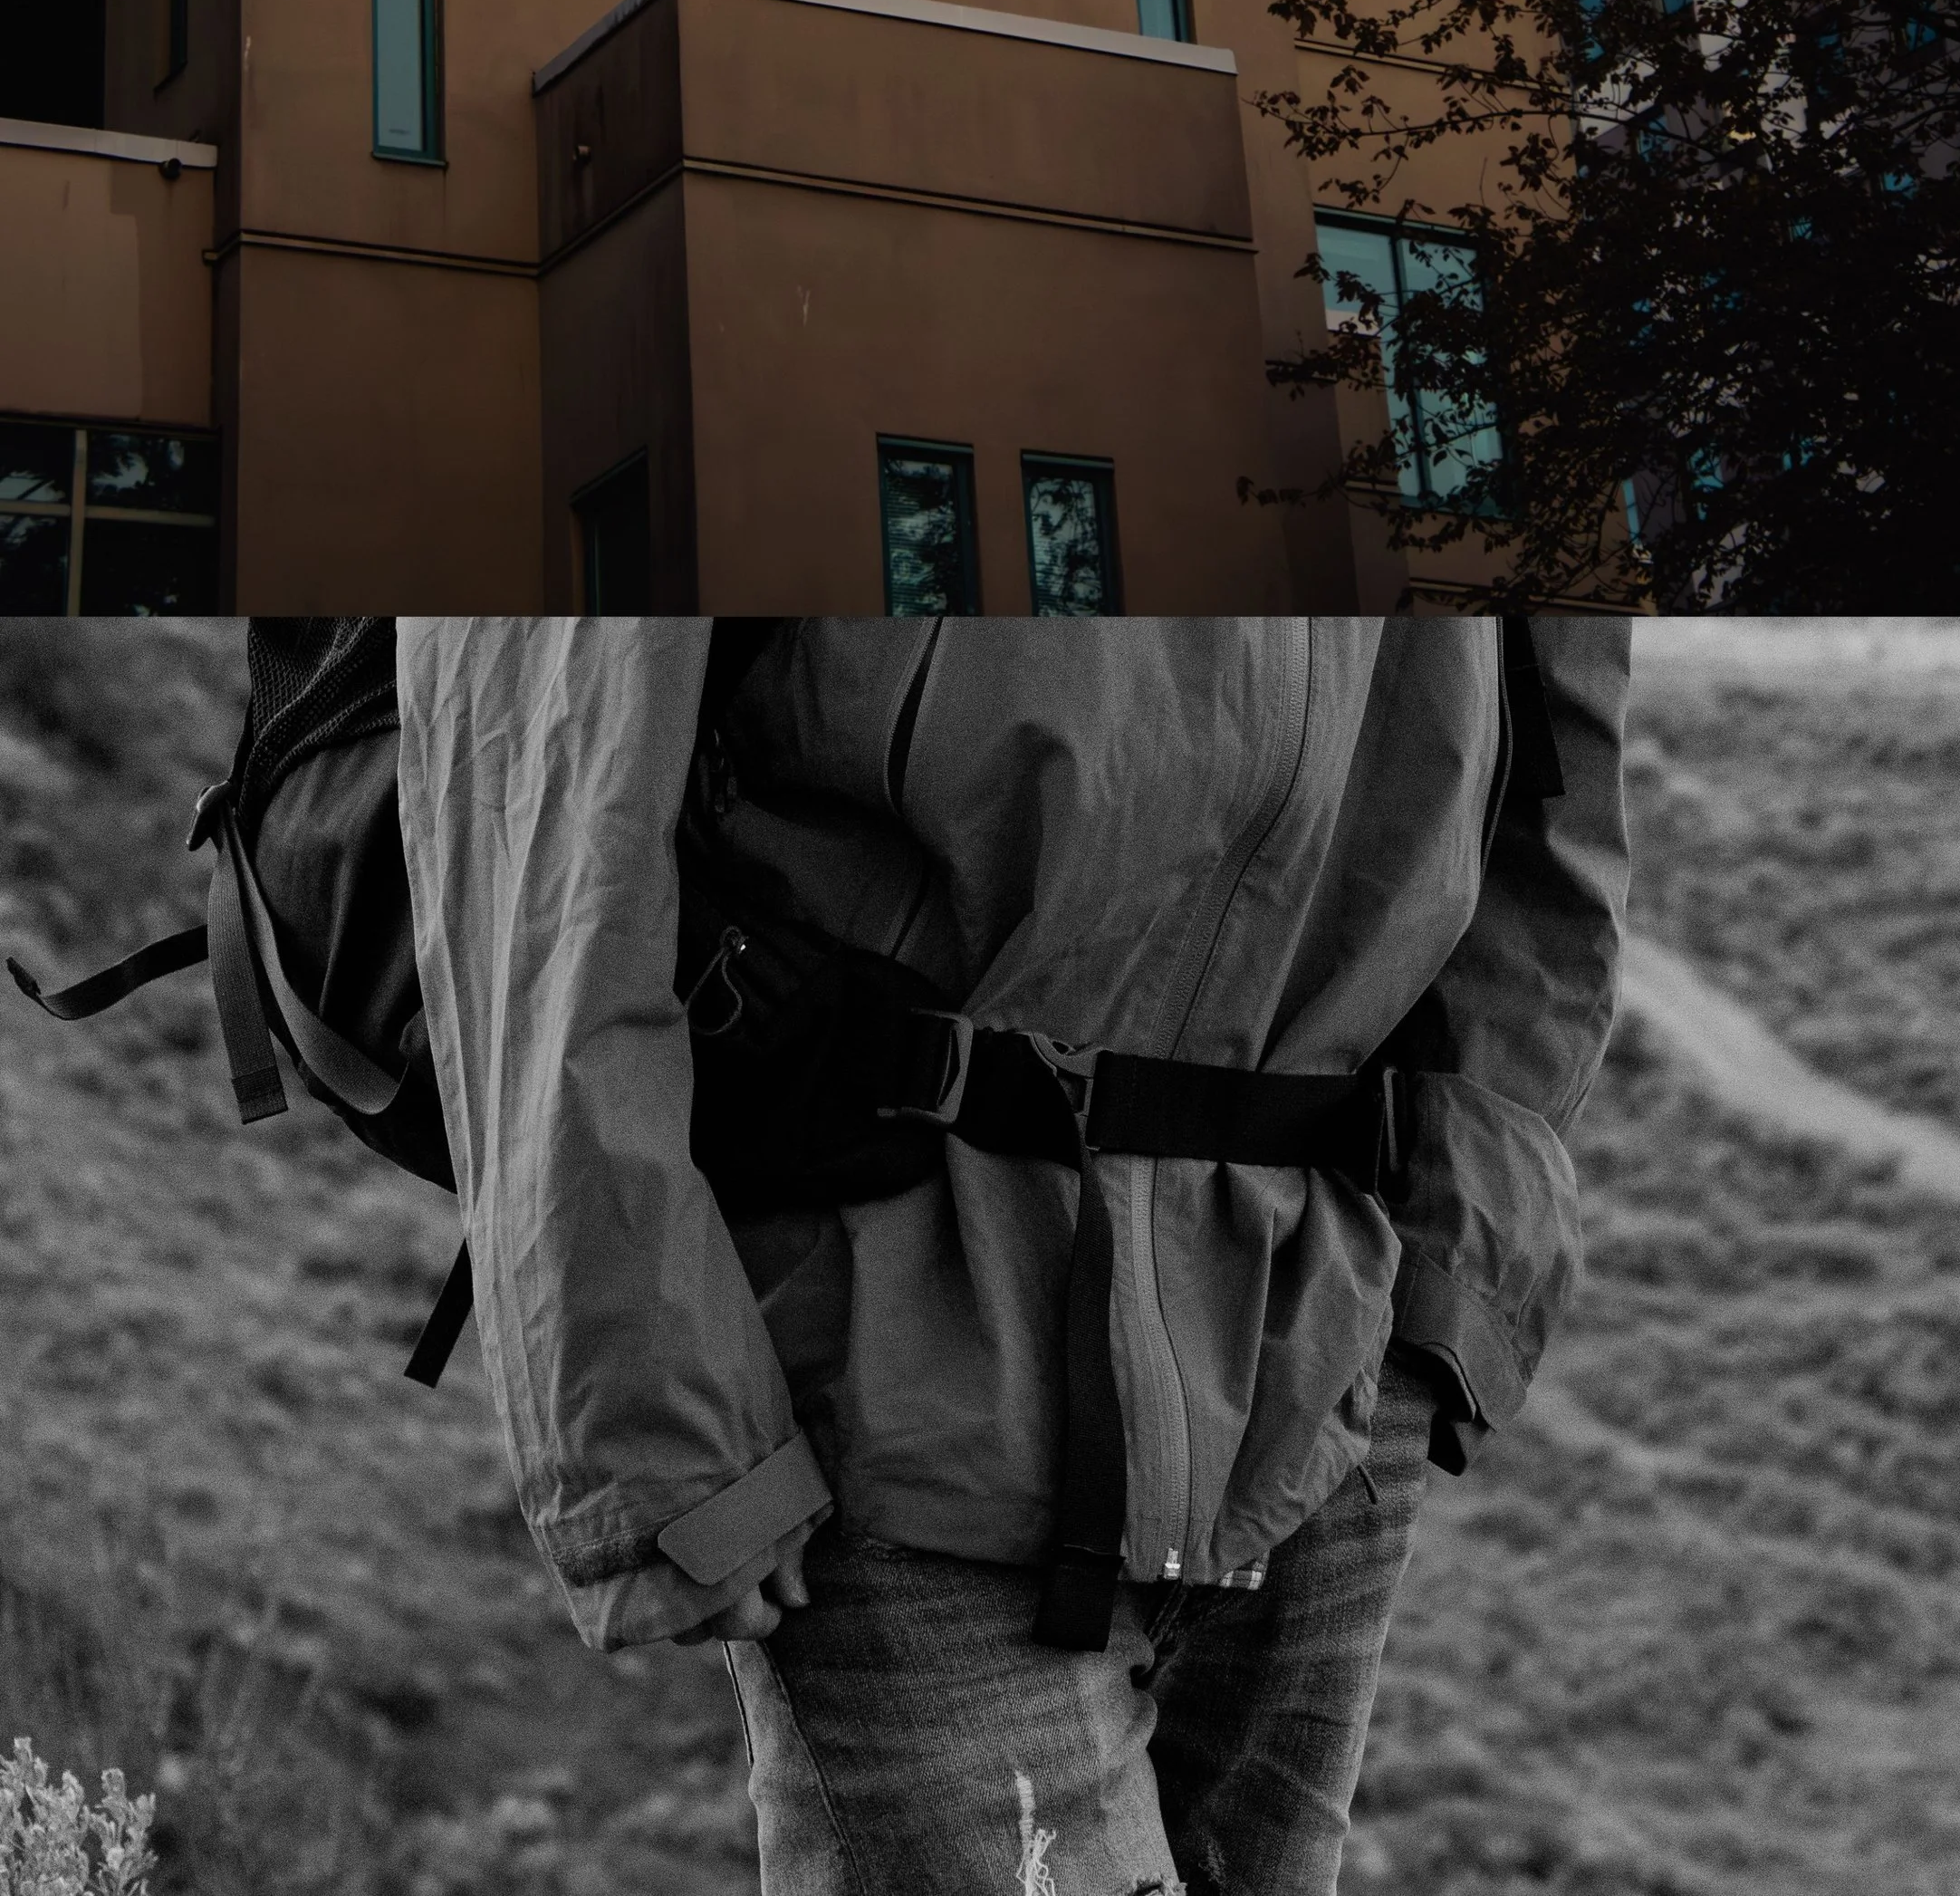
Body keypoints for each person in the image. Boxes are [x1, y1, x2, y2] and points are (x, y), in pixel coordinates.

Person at [397, 615, 1629, 1896]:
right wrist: (652, 1400)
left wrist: (1453, 1264)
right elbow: (540, 808)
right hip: (900, 1332)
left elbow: (1559, 770)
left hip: (1326, 1344)